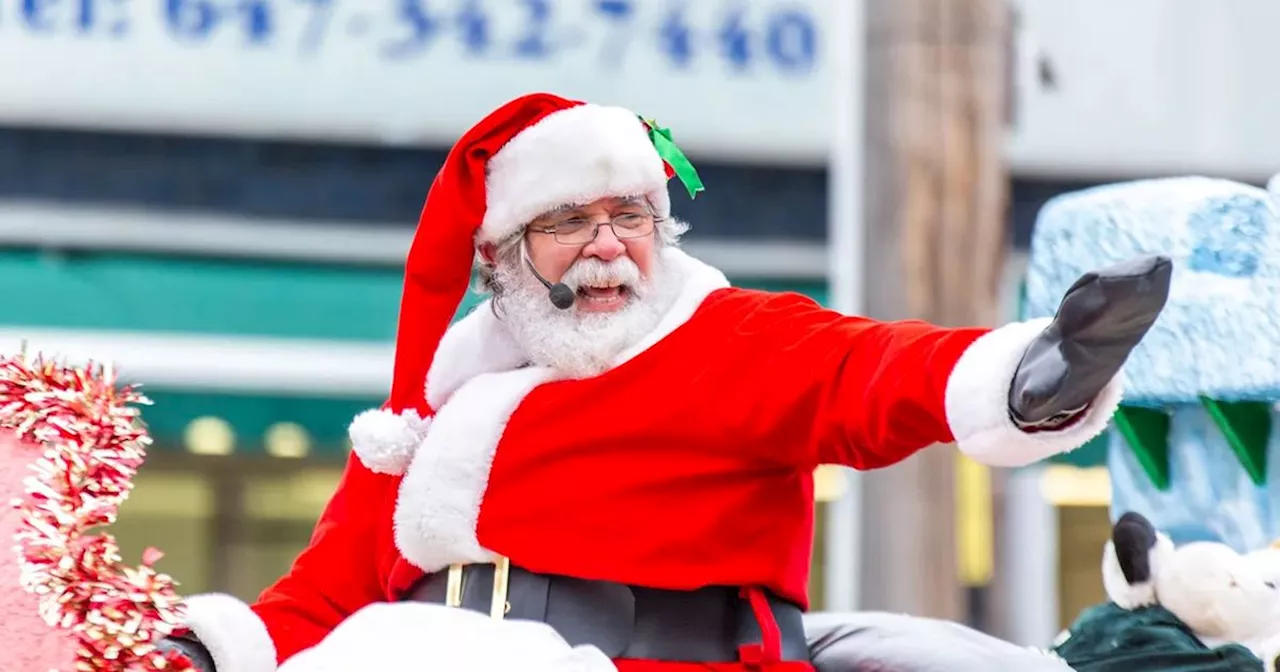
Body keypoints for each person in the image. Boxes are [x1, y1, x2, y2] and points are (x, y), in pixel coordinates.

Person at [159, 92, 1171, 672]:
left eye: (629, 217)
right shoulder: (426, 409)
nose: (607, 250)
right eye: (566, 222)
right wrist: (202, 654)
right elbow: (322, 595)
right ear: (502, 257)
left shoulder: (717, 338)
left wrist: (1037, 374)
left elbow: (873, 372)